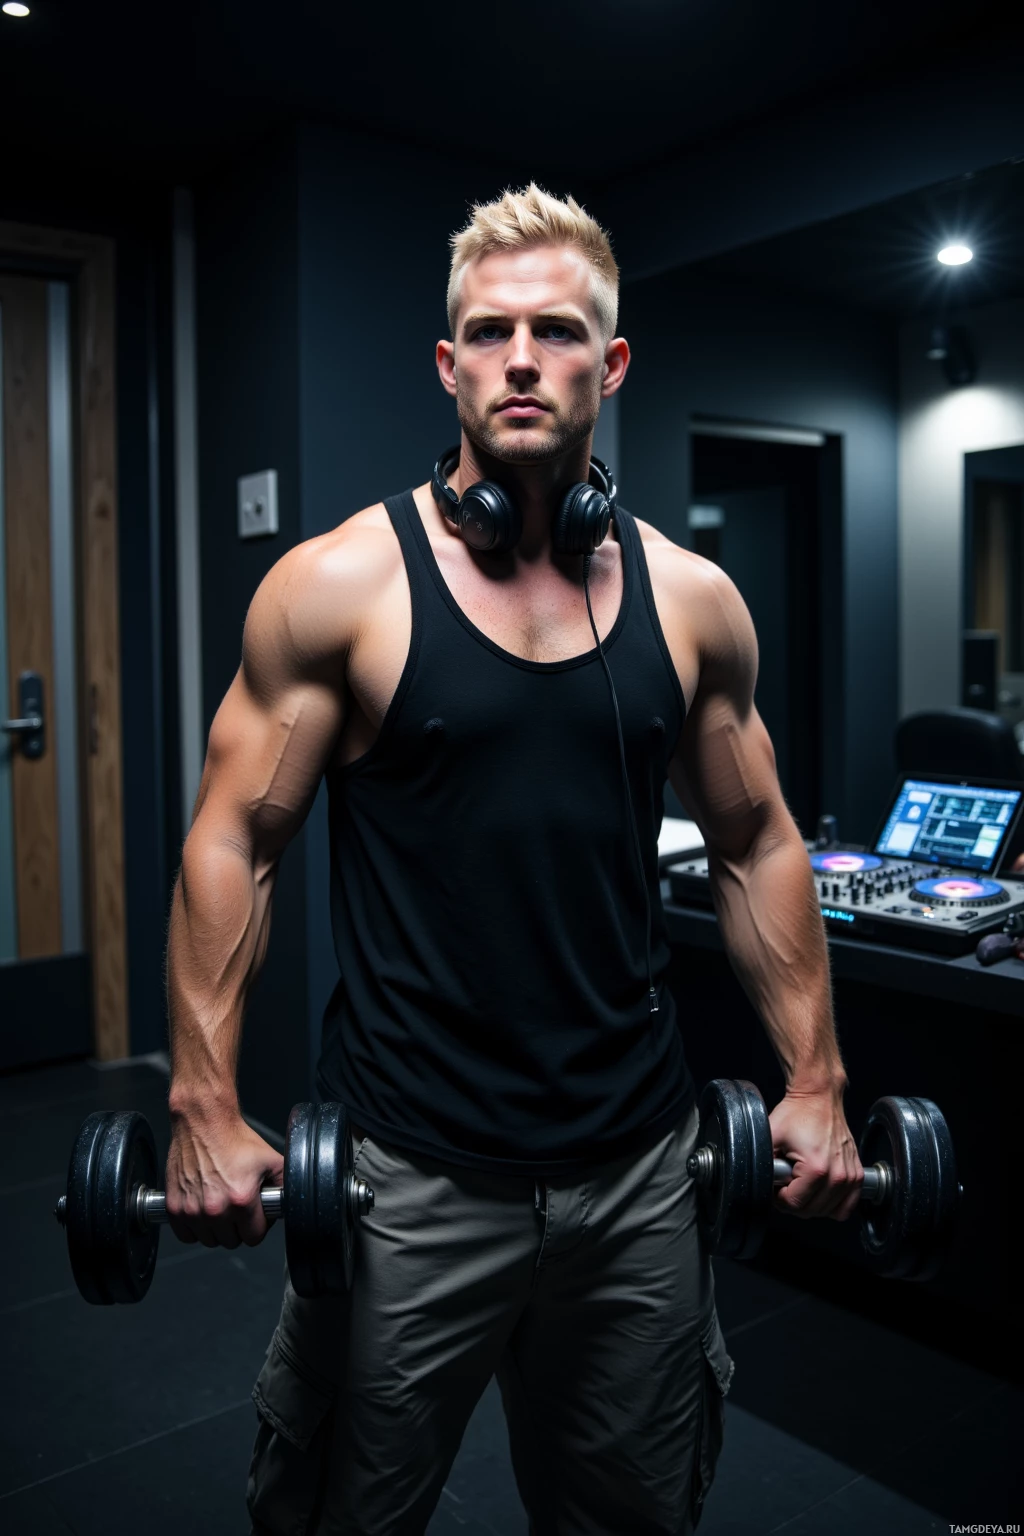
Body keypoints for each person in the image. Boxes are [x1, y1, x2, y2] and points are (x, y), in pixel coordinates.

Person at [164, 183, 864, 1536]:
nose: (520, 358)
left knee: (632, 1517)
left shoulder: (693, 600)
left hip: (639, 1177)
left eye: (555, 332)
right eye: (487, 333)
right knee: (336, 1517)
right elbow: (234, 837)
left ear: (610, 365)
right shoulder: (340, 586)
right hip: (407, 1176)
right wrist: (202, 1100)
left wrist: (819, 1082)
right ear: (447, 365)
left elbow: (761, 837)